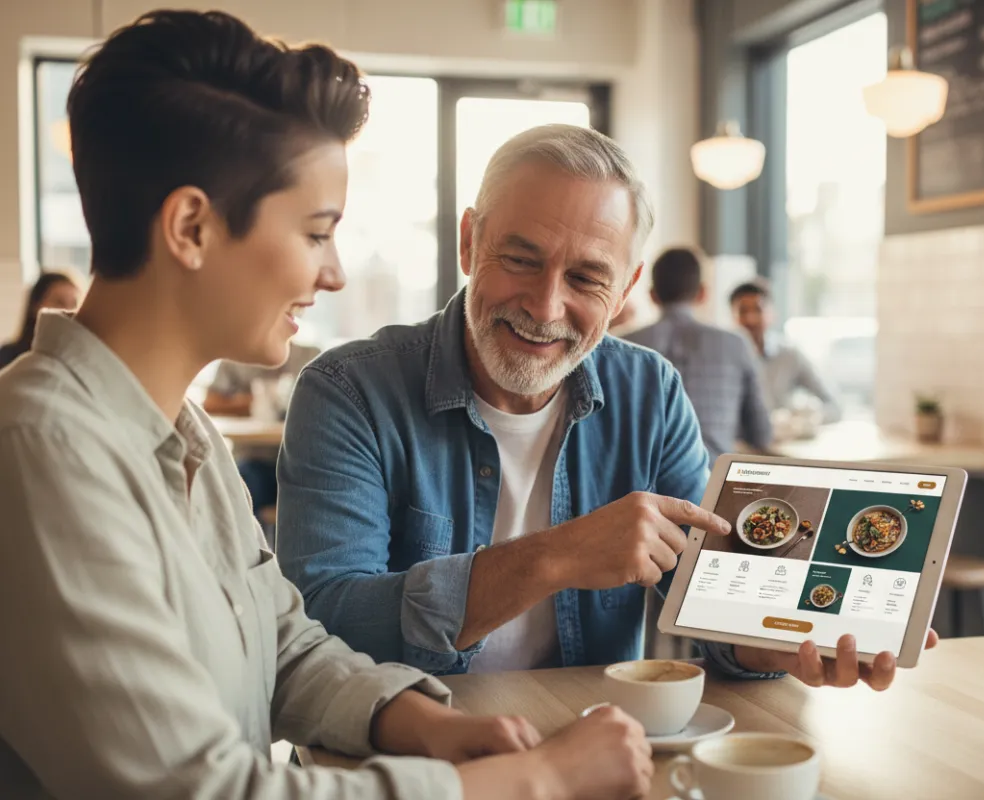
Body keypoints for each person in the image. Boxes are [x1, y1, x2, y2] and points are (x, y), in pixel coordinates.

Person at [0, 12, 653, 800]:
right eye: (316, 233)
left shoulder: (179, 431)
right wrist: (536, 779)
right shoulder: (43, 449)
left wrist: (421, 723)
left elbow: (286, 646)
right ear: (192, 227)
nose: (336, 273)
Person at [277, 124, 933, 687]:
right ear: (470, 242)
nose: (545, 306)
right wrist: (555, 556)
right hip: (402, 760)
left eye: (587, 277)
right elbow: (323, 623)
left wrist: (774, 644)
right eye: (521, 260)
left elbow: (705, 592)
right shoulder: (349, 389)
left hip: (591, 750)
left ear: (626, 289)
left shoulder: (651, 392)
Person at [624, 247, 773, 463]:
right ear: (703, 293)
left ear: (652, 295)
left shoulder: (620, 345)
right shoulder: (736, 344)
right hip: (711, 483)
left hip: (639, 488)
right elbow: (761, 434)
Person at [204, 343, 320, 514]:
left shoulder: (309, 355)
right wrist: (255, 401)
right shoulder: (235, 358)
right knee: (235, 486)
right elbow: (211, 403)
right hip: (256, 461)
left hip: (303, 462)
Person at [729, 280, 842, 421]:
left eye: (758, 310)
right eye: (743, 311)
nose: (751, 319)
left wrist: (806, 420)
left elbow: (833, 405)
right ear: (732, 316)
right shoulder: (722, 359)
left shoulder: (790, 356)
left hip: (784, 438)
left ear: (772, 313)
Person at [0, 271, 82, 370]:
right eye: (59, 302)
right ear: (36, 306)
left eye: (74, 304)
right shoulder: (8, 356)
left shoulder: (79, 359)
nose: (68, 310)